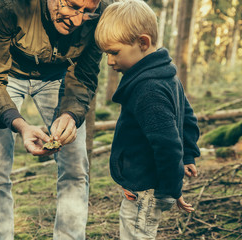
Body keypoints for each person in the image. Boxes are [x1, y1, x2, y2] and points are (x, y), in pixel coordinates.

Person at [0, 0, 107, 239]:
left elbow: (85, 73)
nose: (77, 20)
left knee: (75, 167)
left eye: (87, 12)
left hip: (61, 77)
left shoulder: (102, 10)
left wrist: (70, 114)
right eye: (73, 7)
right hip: (5, 77)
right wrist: (20, 124)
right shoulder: (6, 5)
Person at [94, 0, 200, 239]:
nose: (109, 61)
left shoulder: (148, 90)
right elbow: (187, 118)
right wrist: (189, 154)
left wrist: (172, 190)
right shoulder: (165, 73)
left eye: (114, 52)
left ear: (142, 43)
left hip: (146, 189)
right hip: (145, 185)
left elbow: (167, 144)